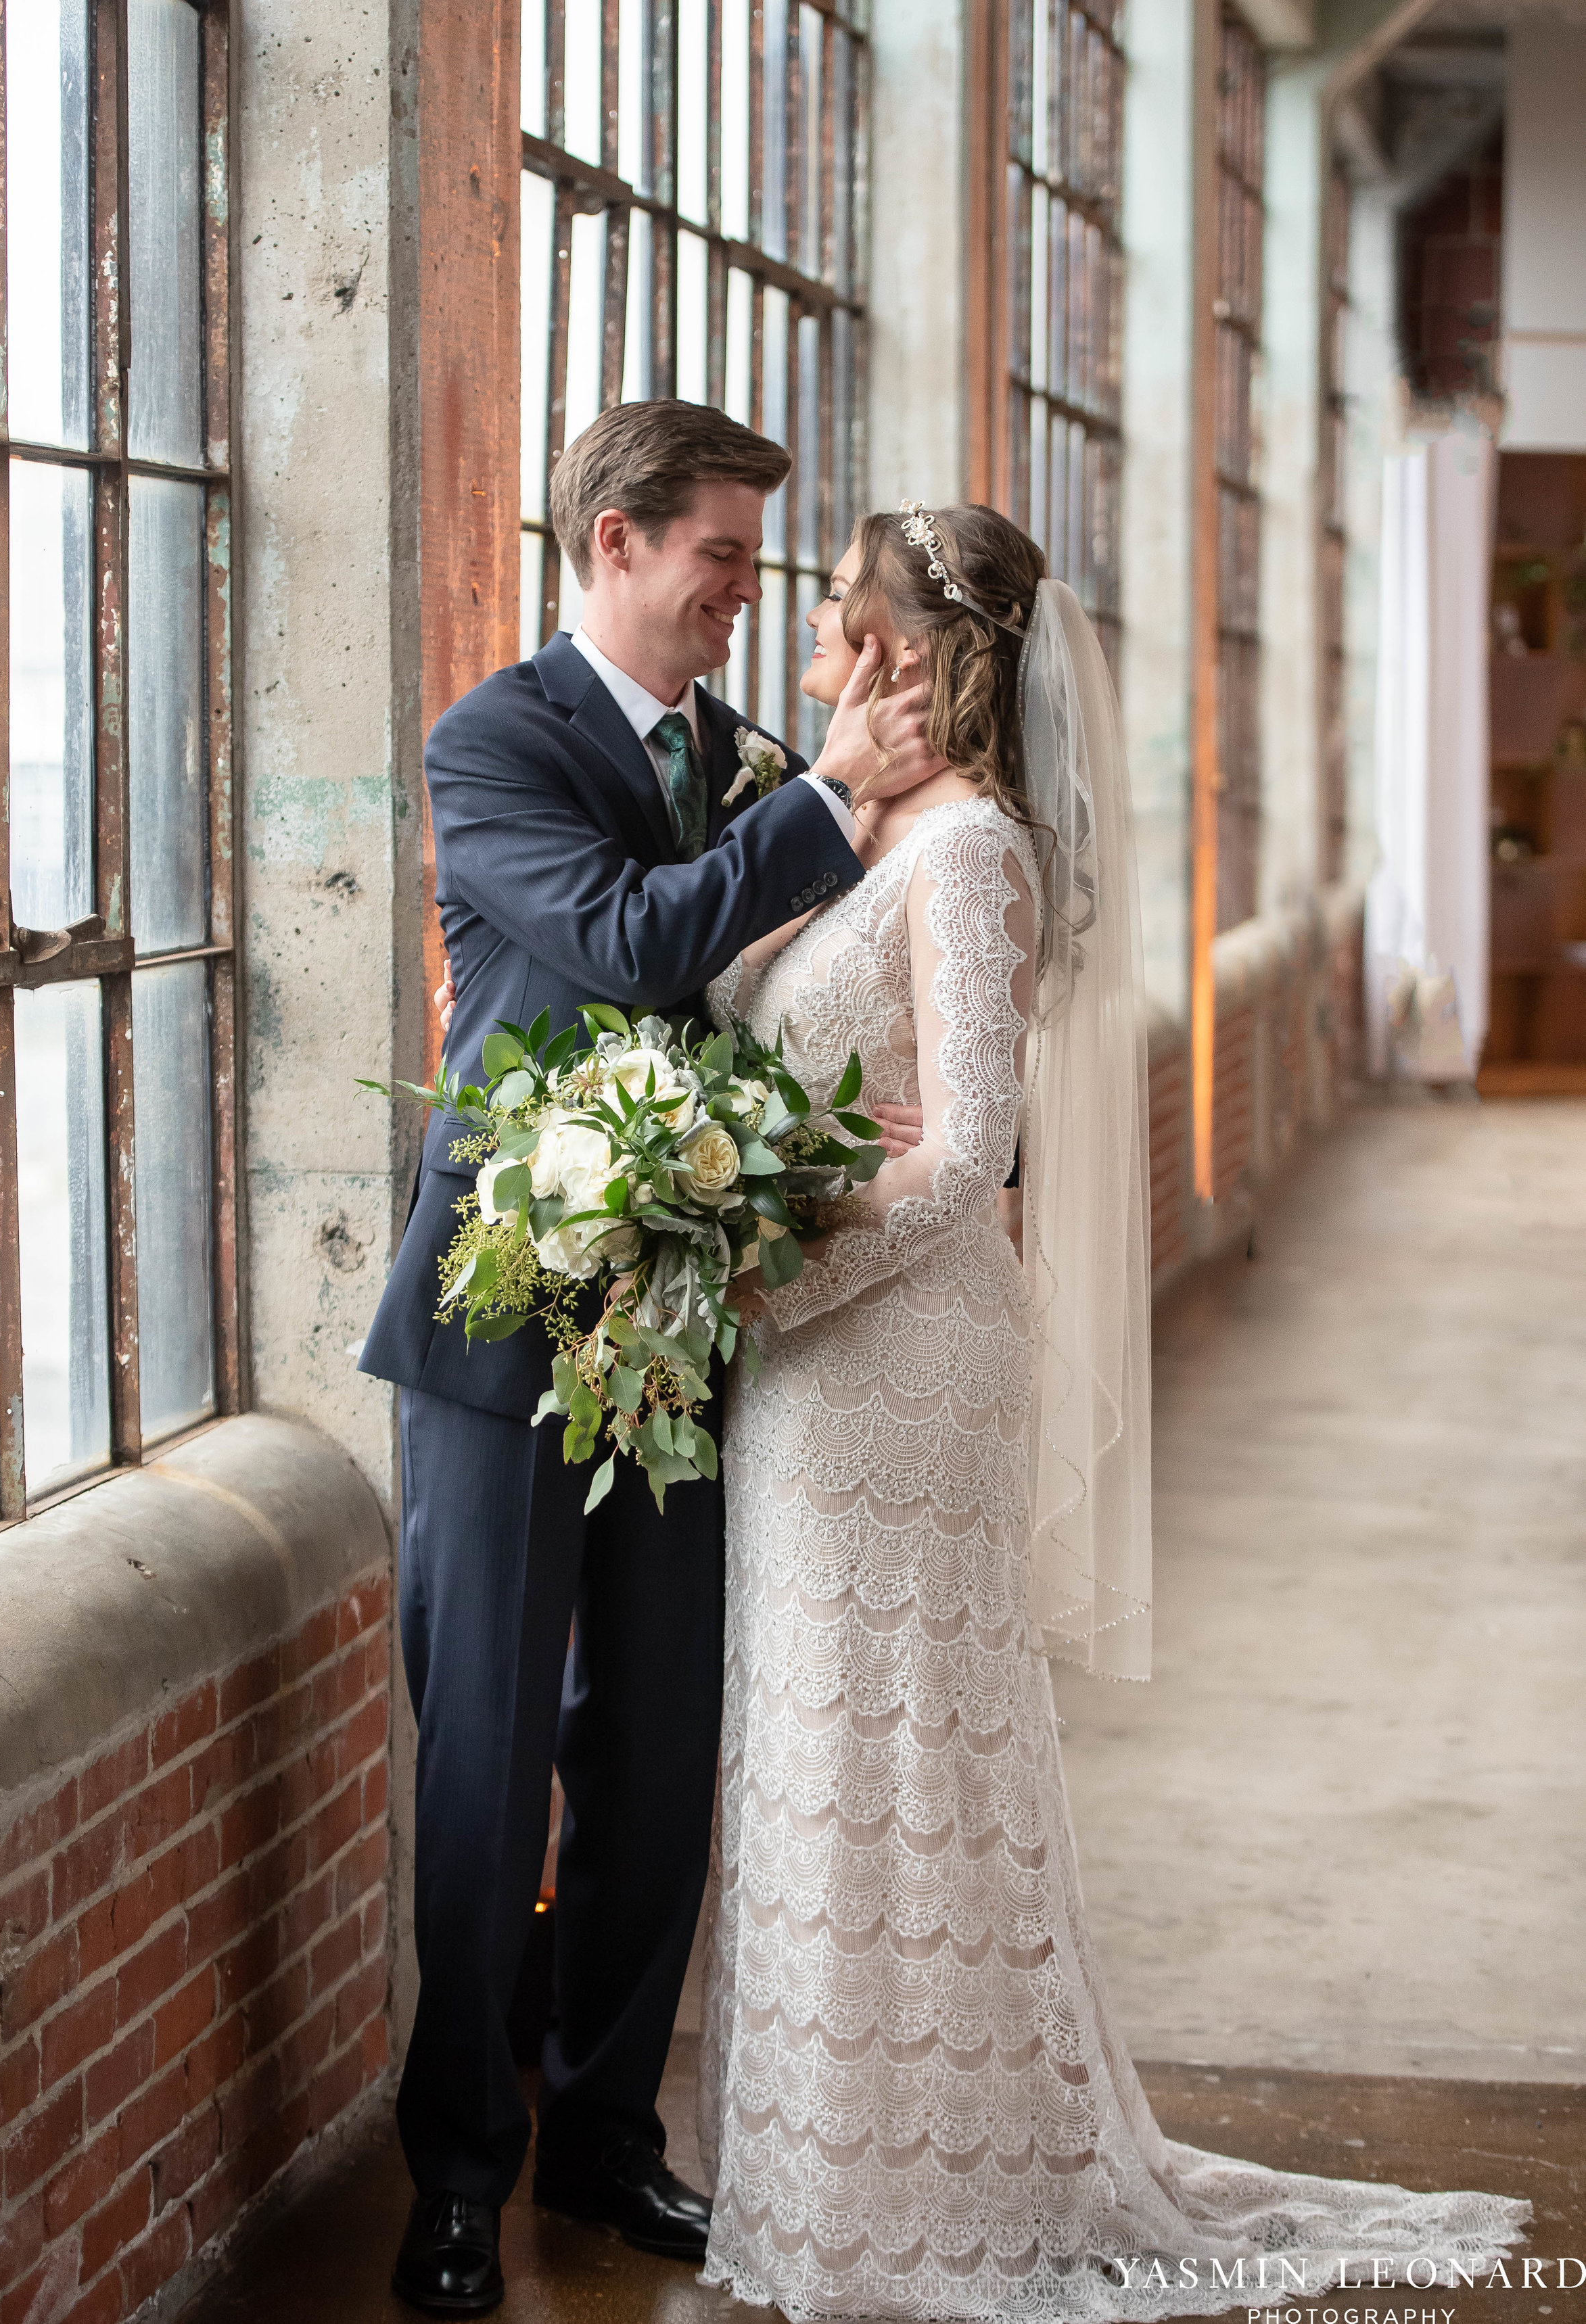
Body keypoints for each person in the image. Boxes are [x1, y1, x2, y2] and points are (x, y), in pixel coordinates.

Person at [695, 501, 1531, 2320]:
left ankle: (941, 2194)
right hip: (806, 1380)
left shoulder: (974, 855)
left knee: (899, 1757)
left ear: (919, 648)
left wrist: (771, 1279)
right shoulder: (852, 827)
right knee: (810, 1755)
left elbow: (967, 1154)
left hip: (898, 1364)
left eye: (844, 617)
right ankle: (843, 2177)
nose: (822, 644)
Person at [356, 399, 943, 2318]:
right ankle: (460, 2171)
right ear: (612, 543)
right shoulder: (491, 738)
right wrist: (822, 805)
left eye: (754, 565)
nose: (739, 598)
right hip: (501, 1328)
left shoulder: (744, 751)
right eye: (717, 557)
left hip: (693, 1320)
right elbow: (617, 940)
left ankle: (610, 2139)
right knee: (486, 1768)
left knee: (656, 1758)